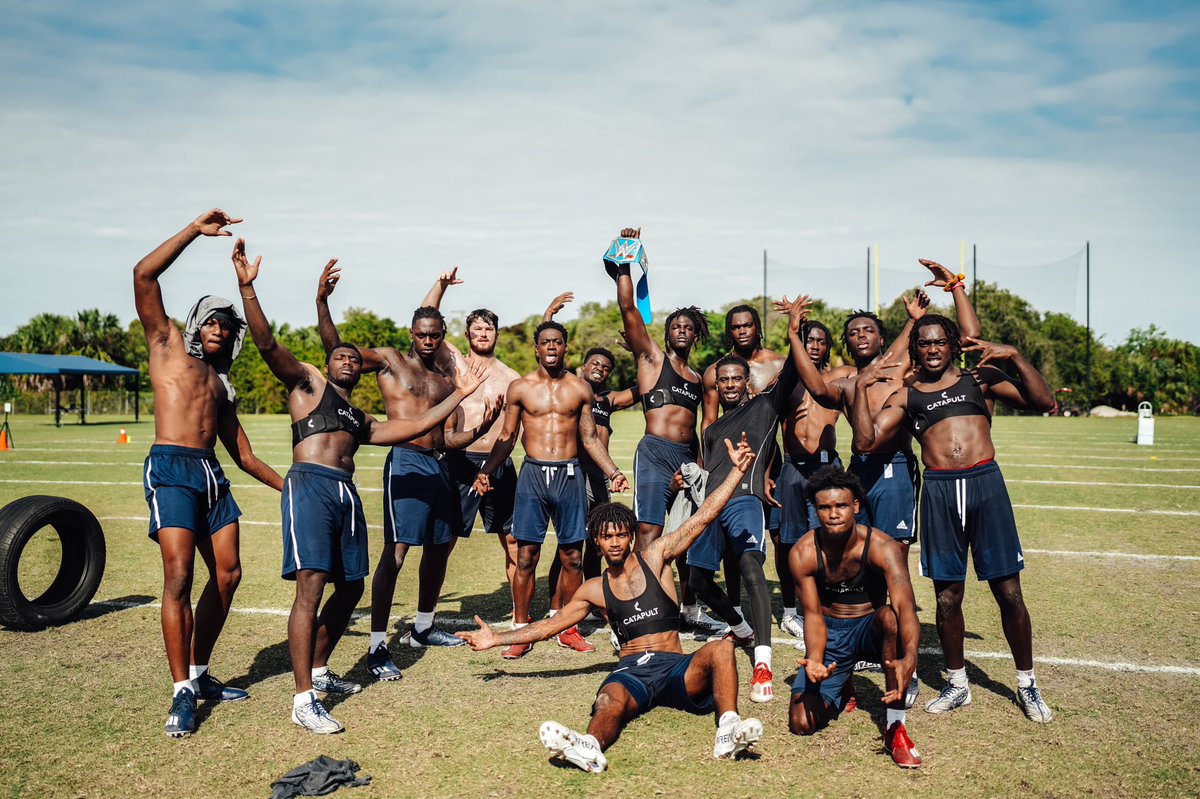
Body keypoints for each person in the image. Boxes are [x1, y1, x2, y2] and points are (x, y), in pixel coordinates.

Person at [234, 241, 487, 732]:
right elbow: (266, 344)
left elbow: (416, 427)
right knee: (311, 588)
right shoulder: (307, 385)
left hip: (345, 492)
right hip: (311, 486)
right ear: (329, 362)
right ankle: (303, 699)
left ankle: (321, 670)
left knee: (351, 586)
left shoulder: (360, 418)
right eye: (341, 356)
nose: (349, 360)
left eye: (353, 357)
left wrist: (462, 395)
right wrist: (252, 290)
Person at [457, 436, 763, 773]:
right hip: (633, 671)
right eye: (607, 537)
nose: (615, 543)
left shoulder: (656, 557)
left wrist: (736, 472)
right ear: (597, 542)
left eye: (620, 535)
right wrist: (496, 639)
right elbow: (548, 627)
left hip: (675, 668)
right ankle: (589, 747)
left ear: (630, 536)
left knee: (722, 648)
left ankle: (728, 730)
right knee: (608, 699)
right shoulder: (593, 590)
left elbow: (703, 516)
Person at [851, 312, 1056, 723]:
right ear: (916, 349)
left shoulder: (980, 379)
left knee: (1009, 593)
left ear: (952, 345)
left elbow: (1044, 402)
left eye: (939, 342)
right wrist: (859, 388)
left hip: (985, 485)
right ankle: (958, 683)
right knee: (947, 597)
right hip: (940, 491)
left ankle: (1027, 683)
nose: (932, 349)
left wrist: (1014, 356)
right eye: (924, 343)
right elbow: (864, 442)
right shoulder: (908, 395)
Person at [133, 209, 283, 738]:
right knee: (178, 576)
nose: (219, 329)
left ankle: (198, 674)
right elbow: (143, 275)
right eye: (212, 321)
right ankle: (181, 693)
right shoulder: (167, 345)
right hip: (171, 468)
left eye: (227, 324)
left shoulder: (222, 387)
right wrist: (194, 233)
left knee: (229, 574)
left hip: (212, 475)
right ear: (197, 324)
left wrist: (293, 486)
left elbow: (244, 455)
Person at [316, 264, 500, 683]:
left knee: (437, 549)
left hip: (439, 466)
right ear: (412, 334)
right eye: (422, 334)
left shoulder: (447, 379)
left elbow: (449, 438)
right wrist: (323, 303)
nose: (428, 341)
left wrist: (482, 429)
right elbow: (338, 353)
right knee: (396, 554)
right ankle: (377, 645)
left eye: (435, 335)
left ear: (442, 335)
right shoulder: (390, 361)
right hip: (405, 462)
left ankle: (423, 627)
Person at [472, 321, 629, 657]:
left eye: (558, 341)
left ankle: (567, 628)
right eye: (546, 342)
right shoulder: (520, 388)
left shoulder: (580, 388)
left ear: (565, 347)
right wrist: (486, 471)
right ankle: (520, 631)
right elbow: (507, 437)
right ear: (537, 348)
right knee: (526, 556)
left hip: (569, 475)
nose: (552, 347)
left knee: (573, 557)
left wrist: (613, 472)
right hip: (533, 475)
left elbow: (589, 438)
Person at [683, 295, 808, 703]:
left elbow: (793, 369)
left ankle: (762, 662)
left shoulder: (765, 408)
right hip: (711, 506)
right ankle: (740, 628)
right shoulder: (710, 430)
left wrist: (794, 328)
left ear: (748, 383)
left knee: (751, 567)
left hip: (744, 501)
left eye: (737, 379)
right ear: (716, 386)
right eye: (724, 380)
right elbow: (708, 472)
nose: (731, 385)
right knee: (698, 581)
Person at [611, 227, 721, 632]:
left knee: (687, 536)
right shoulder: (651, 358)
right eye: (676, 325)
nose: (682, 330)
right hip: (655, 453)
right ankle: (636, 612)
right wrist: (626, 260)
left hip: (687, 461)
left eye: (689, 327)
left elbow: (701, 427)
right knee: (648, 530)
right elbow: (627, 307)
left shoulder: (698, 377)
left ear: (696, 334)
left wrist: (698, 465)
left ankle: (688, 611)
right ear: (666, 331)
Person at [787, 466, 923, 769]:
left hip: (869, 629)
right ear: (816, 510)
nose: (833, 514)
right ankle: (843, 683)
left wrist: (911, 656)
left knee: (890, 617)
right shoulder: (803, 552)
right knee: (802, 723)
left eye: (841, 506)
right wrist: (816, 659)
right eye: (824, 507)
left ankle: (895, 727)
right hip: (830, 633)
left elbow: (905, 608)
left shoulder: (883, 547)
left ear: (856, 507)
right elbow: (812, 615)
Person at [419, 269, 524, 598]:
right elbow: (425, 320)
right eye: (477, 328)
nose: (483, 333)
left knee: (514, 541)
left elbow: (512, 433)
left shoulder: (511, 377)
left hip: (498, 464)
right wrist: (440, 286)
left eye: (488, 328)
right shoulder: (453, 364)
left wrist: (490, 469)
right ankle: (426, 615)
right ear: (467, 334)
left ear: (497, 335)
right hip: (458, 461)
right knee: (443, 541)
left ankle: (521, 613)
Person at [701, 305, 786, 625]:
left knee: (778, 536)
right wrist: (706, 471)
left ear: (757, 327)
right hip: (730, 461)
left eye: (747, 325)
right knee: (731, 536)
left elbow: (775, 424)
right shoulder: (716, 371)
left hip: (767, 458)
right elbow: (709, 423)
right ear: (729, 332)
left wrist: (766, 471)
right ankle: (735, 607)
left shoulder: (776, 364)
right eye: (736, 327)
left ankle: (790, 610)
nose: (742, 331)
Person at [774, 318, 849, 641]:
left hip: (826, 467)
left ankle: (825, 608)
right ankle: (790, 612)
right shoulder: (786, 379)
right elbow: (767, 426)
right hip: (792, 466)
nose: (814, 346)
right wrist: (766, 474)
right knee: (788, 542)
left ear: (827, 347)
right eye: (809, 340)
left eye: (820, 341)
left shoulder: (840, 377)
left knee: (829, 540)